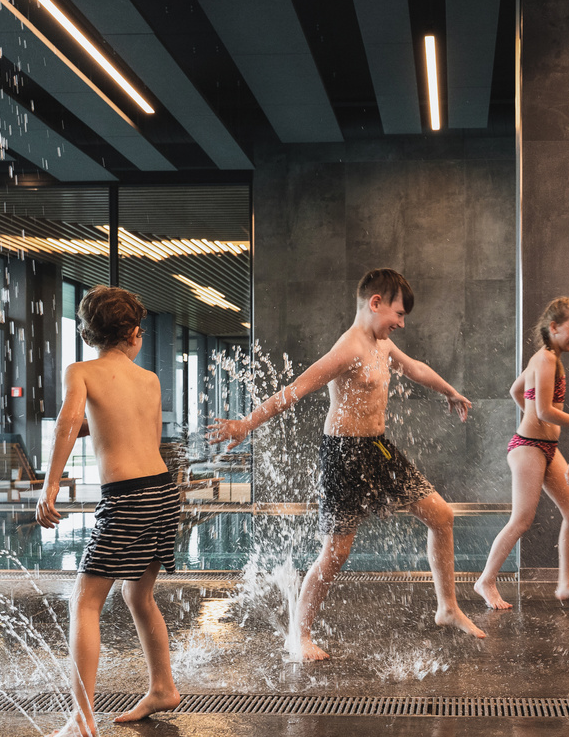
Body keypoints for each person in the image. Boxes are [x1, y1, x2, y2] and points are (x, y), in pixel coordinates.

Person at [207, 268, 485, 661]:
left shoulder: (382, 345)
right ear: (375, 303)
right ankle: (298, 636)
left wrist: (450, 391)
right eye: (398, 314)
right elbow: (297, 388)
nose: (401, 324)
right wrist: (246, 423)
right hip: (343, 454)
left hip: (378, 448)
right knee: (336, 552)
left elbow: (415, 367)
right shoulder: (351, 347)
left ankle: (448, 607)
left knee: (441, 515)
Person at [36, 286, 183, 737]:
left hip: (126, 496)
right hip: (164, 492)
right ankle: (163, 687)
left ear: (86, 334)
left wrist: (51, 482)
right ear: (135, 335)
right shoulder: (150, 380)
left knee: (85, 600)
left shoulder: (81, 371)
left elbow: (67, 422)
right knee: (139, 597)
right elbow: (135, 431)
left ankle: (81, 717)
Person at [473, 297, 569, 611]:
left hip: (545, 448)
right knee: (522, 520)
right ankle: (486, 580)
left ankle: (566, 584)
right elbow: (545, 412)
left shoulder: (550, 358)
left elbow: (516, 391)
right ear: (554, 327)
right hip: (528, 448)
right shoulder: (545, 359)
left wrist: (530, 416)